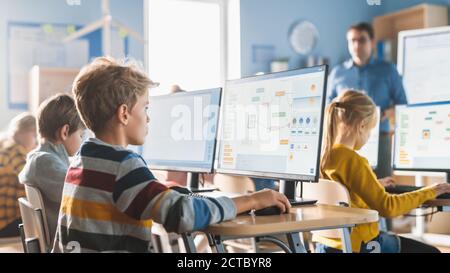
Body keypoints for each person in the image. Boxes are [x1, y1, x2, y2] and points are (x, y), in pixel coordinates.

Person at [52, 57, 291, 253]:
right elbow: (183, 215)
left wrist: (163, 190)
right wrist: (253, 200)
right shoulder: (124, 165)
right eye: (145, 108)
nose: (148, 118)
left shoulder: (82, 159)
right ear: (124, 114)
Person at [315, 90, 450, 253]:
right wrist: (429, 191)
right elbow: (388, 207)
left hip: (326, 245)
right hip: (361, 245)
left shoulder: (324, 156)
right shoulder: (354, 160)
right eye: (370, 130)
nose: (369, 135)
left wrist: (374, 185)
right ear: (362, 125)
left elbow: (342, 195)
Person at [327, 22, 407, 179]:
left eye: (362, 40)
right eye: (352, 40)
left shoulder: (388, 70)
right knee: (349, 192)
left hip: (380, 139)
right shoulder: (337, 73)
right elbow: (328, 107)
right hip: (346, 141)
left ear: (372, 42)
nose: (357, 45)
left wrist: (382, 114)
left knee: (382, 188)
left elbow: (402, 105)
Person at [19, 94, 85, 242]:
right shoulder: (44, 162)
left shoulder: (42, 159)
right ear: (65, 132)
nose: (82, 141)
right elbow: (78, 194)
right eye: (81, 135)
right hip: (66, 243)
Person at [0, 113, 37, 238]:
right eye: (34, 134)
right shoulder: (15, 151)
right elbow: (30, 178)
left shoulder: (5, 146)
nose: (35, 140)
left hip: (4, 219)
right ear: (23, 132)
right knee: (42, 225)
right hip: (6, 221)